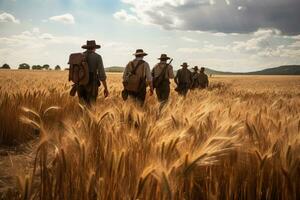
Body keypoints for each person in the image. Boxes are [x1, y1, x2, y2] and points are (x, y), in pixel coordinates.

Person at [77, 40, 109, 106]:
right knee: (91, 106)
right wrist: (105, 88)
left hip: (80, 84)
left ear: (86, 48)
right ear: (94, 48)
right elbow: (101, 74)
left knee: (82, 106)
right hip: (92, 84)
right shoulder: (97, 57)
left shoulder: (79, 56)